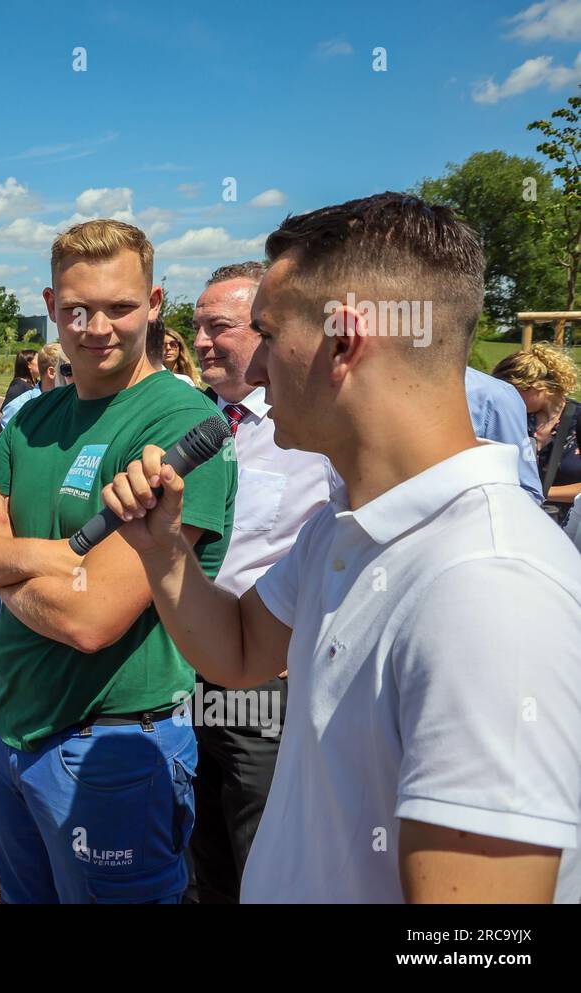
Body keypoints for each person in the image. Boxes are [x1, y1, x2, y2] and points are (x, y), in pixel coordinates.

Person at [107, 193, 581, 903]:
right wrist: (164, 551)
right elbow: (238, 652)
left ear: (344, 339)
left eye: (267, 333)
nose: (257, 368)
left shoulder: (489, 585)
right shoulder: (344, 526)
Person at [0, 218, 237, 904]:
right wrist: (58, 556)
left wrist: (1, 569)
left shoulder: (179, 426)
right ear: (50, 306)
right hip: (9, 734)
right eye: (77, 308)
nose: (96, 326)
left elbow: (91, 618)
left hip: (111, 749)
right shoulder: (34, 419)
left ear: (155, 303)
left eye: (119, 307)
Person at [186, 260, 335, 903]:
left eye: (217, 326)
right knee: (195, 840)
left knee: (262, 844)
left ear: (263, 330)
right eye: (194, 327)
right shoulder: (187, 424)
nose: (198, 342)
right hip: (182, 667)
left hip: (265, 682)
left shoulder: (312, 433)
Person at [492, 344, 581, 525]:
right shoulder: (514, 418)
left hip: (569, 529)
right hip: (515, 522)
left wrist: (535, 492)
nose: (505, 399)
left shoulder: (577, 418)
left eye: (511, 392)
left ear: (534, 387)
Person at [466, 366, 545, 501]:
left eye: (521, 390)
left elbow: (528, 490)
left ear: (537, 388)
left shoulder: (497, 395)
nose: (520, 397)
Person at [0, 342, 65, 428]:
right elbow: (4, 439)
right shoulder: (18, 407)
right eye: (67, 369)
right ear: (52, 372)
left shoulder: (73, 402)